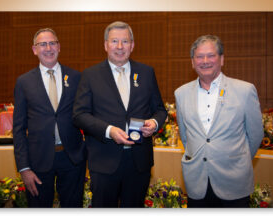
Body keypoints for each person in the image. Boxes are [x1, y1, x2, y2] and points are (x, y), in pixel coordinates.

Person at [73, 21, 167, 207]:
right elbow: (79, 114)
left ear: (132, 45)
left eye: (125, 41)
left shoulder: (146, 73)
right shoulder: (90, 75)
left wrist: (154, 124)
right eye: (114, 41)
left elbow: (160, 110)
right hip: (104, 161)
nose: (119, 46)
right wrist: (109, 131)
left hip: (139, 162)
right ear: (105, 45)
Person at [174, 35, 264, 208]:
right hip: (197, 181)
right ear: (193, 62)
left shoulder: (244, 90)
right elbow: (186, 138)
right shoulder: (181, 93)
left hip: (234, 180)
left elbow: (255, 135)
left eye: (211, 55)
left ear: (221, 59)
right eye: (199, 56)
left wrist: (237, 159)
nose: (205, 61)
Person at [13, 28, 86, 207]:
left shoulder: (76, 77)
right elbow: (19, 128)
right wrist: (24, 168)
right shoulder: (24, 82)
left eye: (52, 43)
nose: (48, 48)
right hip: (37, 161)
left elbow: (86, 116)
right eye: (42, 44)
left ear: (59, 47)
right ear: (34, 49)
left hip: (72, 159)